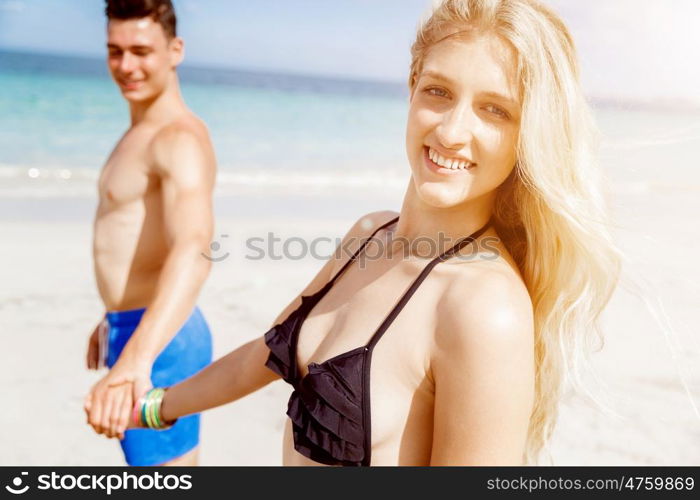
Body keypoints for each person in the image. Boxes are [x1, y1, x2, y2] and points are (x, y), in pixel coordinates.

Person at [108, 0, 621, 465]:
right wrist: (150, 405)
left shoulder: (484, 310)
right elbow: (267, 354)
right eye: (438, 92)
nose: (449, 131)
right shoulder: (370, 233)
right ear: (411, 87)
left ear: (527, 134)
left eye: (495, 109)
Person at [83, 0, 217, 466]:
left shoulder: (178, 138)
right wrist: (113, 317)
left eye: (141, 51)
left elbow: (195, 248)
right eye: (115, 51)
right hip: (132, 327)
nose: (126, 66)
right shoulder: (138, 132)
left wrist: (136, 358)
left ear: (174, 50)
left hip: (163, 344)